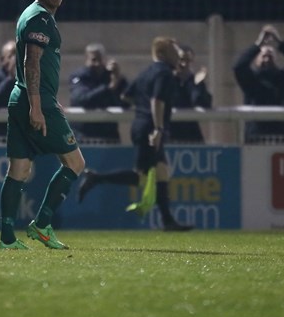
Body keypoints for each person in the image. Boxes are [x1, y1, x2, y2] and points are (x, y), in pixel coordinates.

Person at [0, 0, 85, 250]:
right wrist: (38, 106)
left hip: (20, 97)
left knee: (19, 170)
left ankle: (7, 238)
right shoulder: (40, 19)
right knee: (75, 163)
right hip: (35, 101)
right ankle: (43, 224)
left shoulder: (31, 15)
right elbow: (31, 61)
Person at [77, 37, 193, 232]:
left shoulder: (148, 71)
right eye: (175, 52)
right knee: (141, 175)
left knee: (162, 171)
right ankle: (95, 178)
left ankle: (168, 221)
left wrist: (141, 109)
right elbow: (157, 100)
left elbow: (126, 96)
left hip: (142, 125)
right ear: (163, 54)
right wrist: (158, 128)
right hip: (150, 128)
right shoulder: (164, 73)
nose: (179, 55)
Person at [232, 25, 284, 144]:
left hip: (281, 137)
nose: (267, 59)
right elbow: (238, 67)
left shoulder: (283, 79)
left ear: (275, 60)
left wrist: (280, 42)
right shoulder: (251, 80)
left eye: (270, 56)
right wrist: (258, 44)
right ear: (256, 60)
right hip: (255, 137)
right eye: (263, 56)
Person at [68, 43, 130, 144]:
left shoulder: (111, 76)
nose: (97, 64)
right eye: (93, 60)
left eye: (100, 60)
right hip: (83, 136)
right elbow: (81, 99)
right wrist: (108, 88)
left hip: (108, 136)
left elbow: (126, 102)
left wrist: (119, 79)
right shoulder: (80, 76)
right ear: (86, 60)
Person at [170, 45, 213, 143]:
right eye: (181, 60)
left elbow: (202, 103)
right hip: (169, 134)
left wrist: (196, 82)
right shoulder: (165, 80)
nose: (184, 64)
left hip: (190, 134)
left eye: (187, 60)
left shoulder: (193, 81)